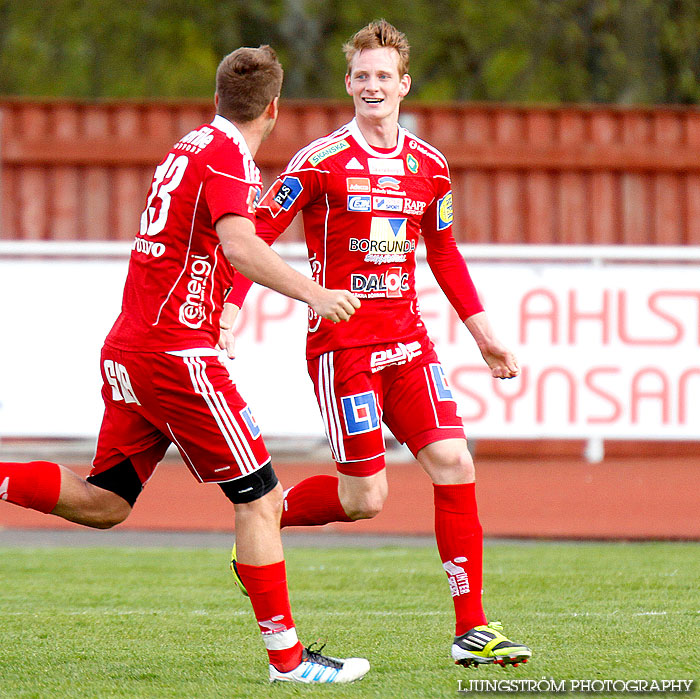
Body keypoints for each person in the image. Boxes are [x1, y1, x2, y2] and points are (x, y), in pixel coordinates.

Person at [0, 45, 370, 685]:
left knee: (107, 502)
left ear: (217, 96)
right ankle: (289, 662)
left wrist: (222, 305)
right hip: (176, 356)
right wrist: (315, 293)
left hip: (131, 349)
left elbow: (201, 247)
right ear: (274, 109)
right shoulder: (227, 156)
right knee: (261, 499)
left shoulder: (190, 144)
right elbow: (239, 243)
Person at [227, 23, 532, 669]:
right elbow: (251, 236)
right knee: (364, 499)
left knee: (454, 460)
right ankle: (266, 517)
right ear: (348, 84)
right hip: (345, 352)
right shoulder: (320, 160)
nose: (372, 86)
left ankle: (471, 628)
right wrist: (227, 311)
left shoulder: (429, 165)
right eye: (361, 75)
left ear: (403, 84)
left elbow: (443, 251)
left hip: (408, 344)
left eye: (383, 76)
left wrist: (484, 334)